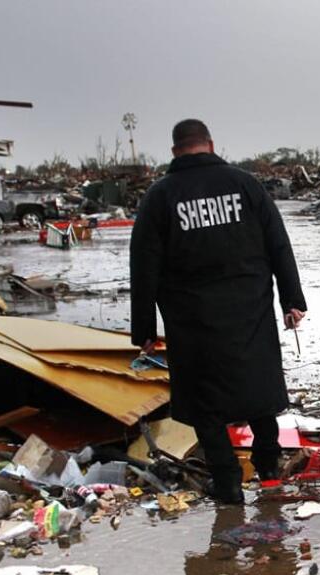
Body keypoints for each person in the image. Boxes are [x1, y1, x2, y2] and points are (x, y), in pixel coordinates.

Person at [130, 119, 306, 504]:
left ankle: (227, 483)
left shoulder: (160, 197)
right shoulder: (246, 185)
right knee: (257, 390)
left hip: (192, 319)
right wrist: (292, 300)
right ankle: (269, 471)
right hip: (251, 309)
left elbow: (143, 266)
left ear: (175, 150)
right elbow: (279, 243)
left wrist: (143, 328)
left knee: (205, 400)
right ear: (210, 144)